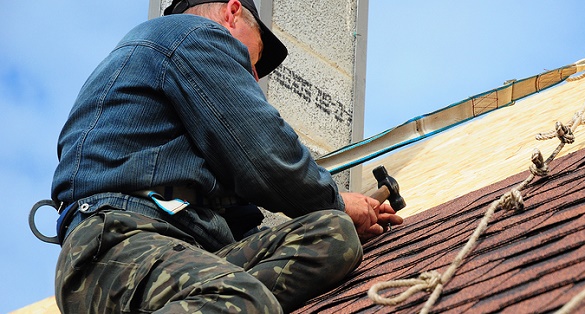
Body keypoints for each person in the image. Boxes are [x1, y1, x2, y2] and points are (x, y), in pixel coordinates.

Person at [50, 0, 403, 312]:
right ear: (232, 13)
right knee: (245, 300)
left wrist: (338, 215)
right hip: (116, 243)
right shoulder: (191, 35)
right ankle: (234, 299)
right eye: (254, 59)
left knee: (333, 234)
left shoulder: (174, 92)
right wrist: (337, 200)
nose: (252, 74)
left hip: (187, 248)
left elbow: (245, 219)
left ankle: (220, 300)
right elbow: (266, 157)